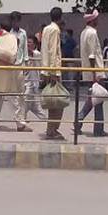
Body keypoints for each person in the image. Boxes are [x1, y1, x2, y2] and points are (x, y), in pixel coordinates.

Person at [0, 16, 30, 132]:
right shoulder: (7, 38)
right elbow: (12, 55)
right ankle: (19, 124)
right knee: (12, 98)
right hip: (6, 71)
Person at [76, 9, 107, 137]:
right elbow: (92, 55)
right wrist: (95, 74)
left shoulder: (84, 33)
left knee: (95, 98)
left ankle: (97, 127)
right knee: (97, 99)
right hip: (96, 71)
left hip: (89, 70)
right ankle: (82, 119)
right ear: (93, 20)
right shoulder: (92, 33)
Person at [40, 7, 66, 140]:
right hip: (53, 71)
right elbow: (53, 51)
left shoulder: (46, 29)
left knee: (52, 102)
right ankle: (53, 129)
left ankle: (50, 129)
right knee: (58, 102)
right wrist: (54, 72)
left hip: (45, 69)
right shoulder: (55, 30)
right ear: (60, 17)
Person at [24, 35, 45, 120]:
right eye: (27, 42)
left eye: (30, 42)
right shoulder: (24, 55)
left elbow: (40, 67)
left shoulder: (37, 54)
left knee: (25, 102)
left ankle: (21, 120)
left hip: (32, 83)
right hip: (25, 83)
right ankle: (47, 120)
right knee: (34, 106)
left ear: (34, 44)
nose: (28, 44)